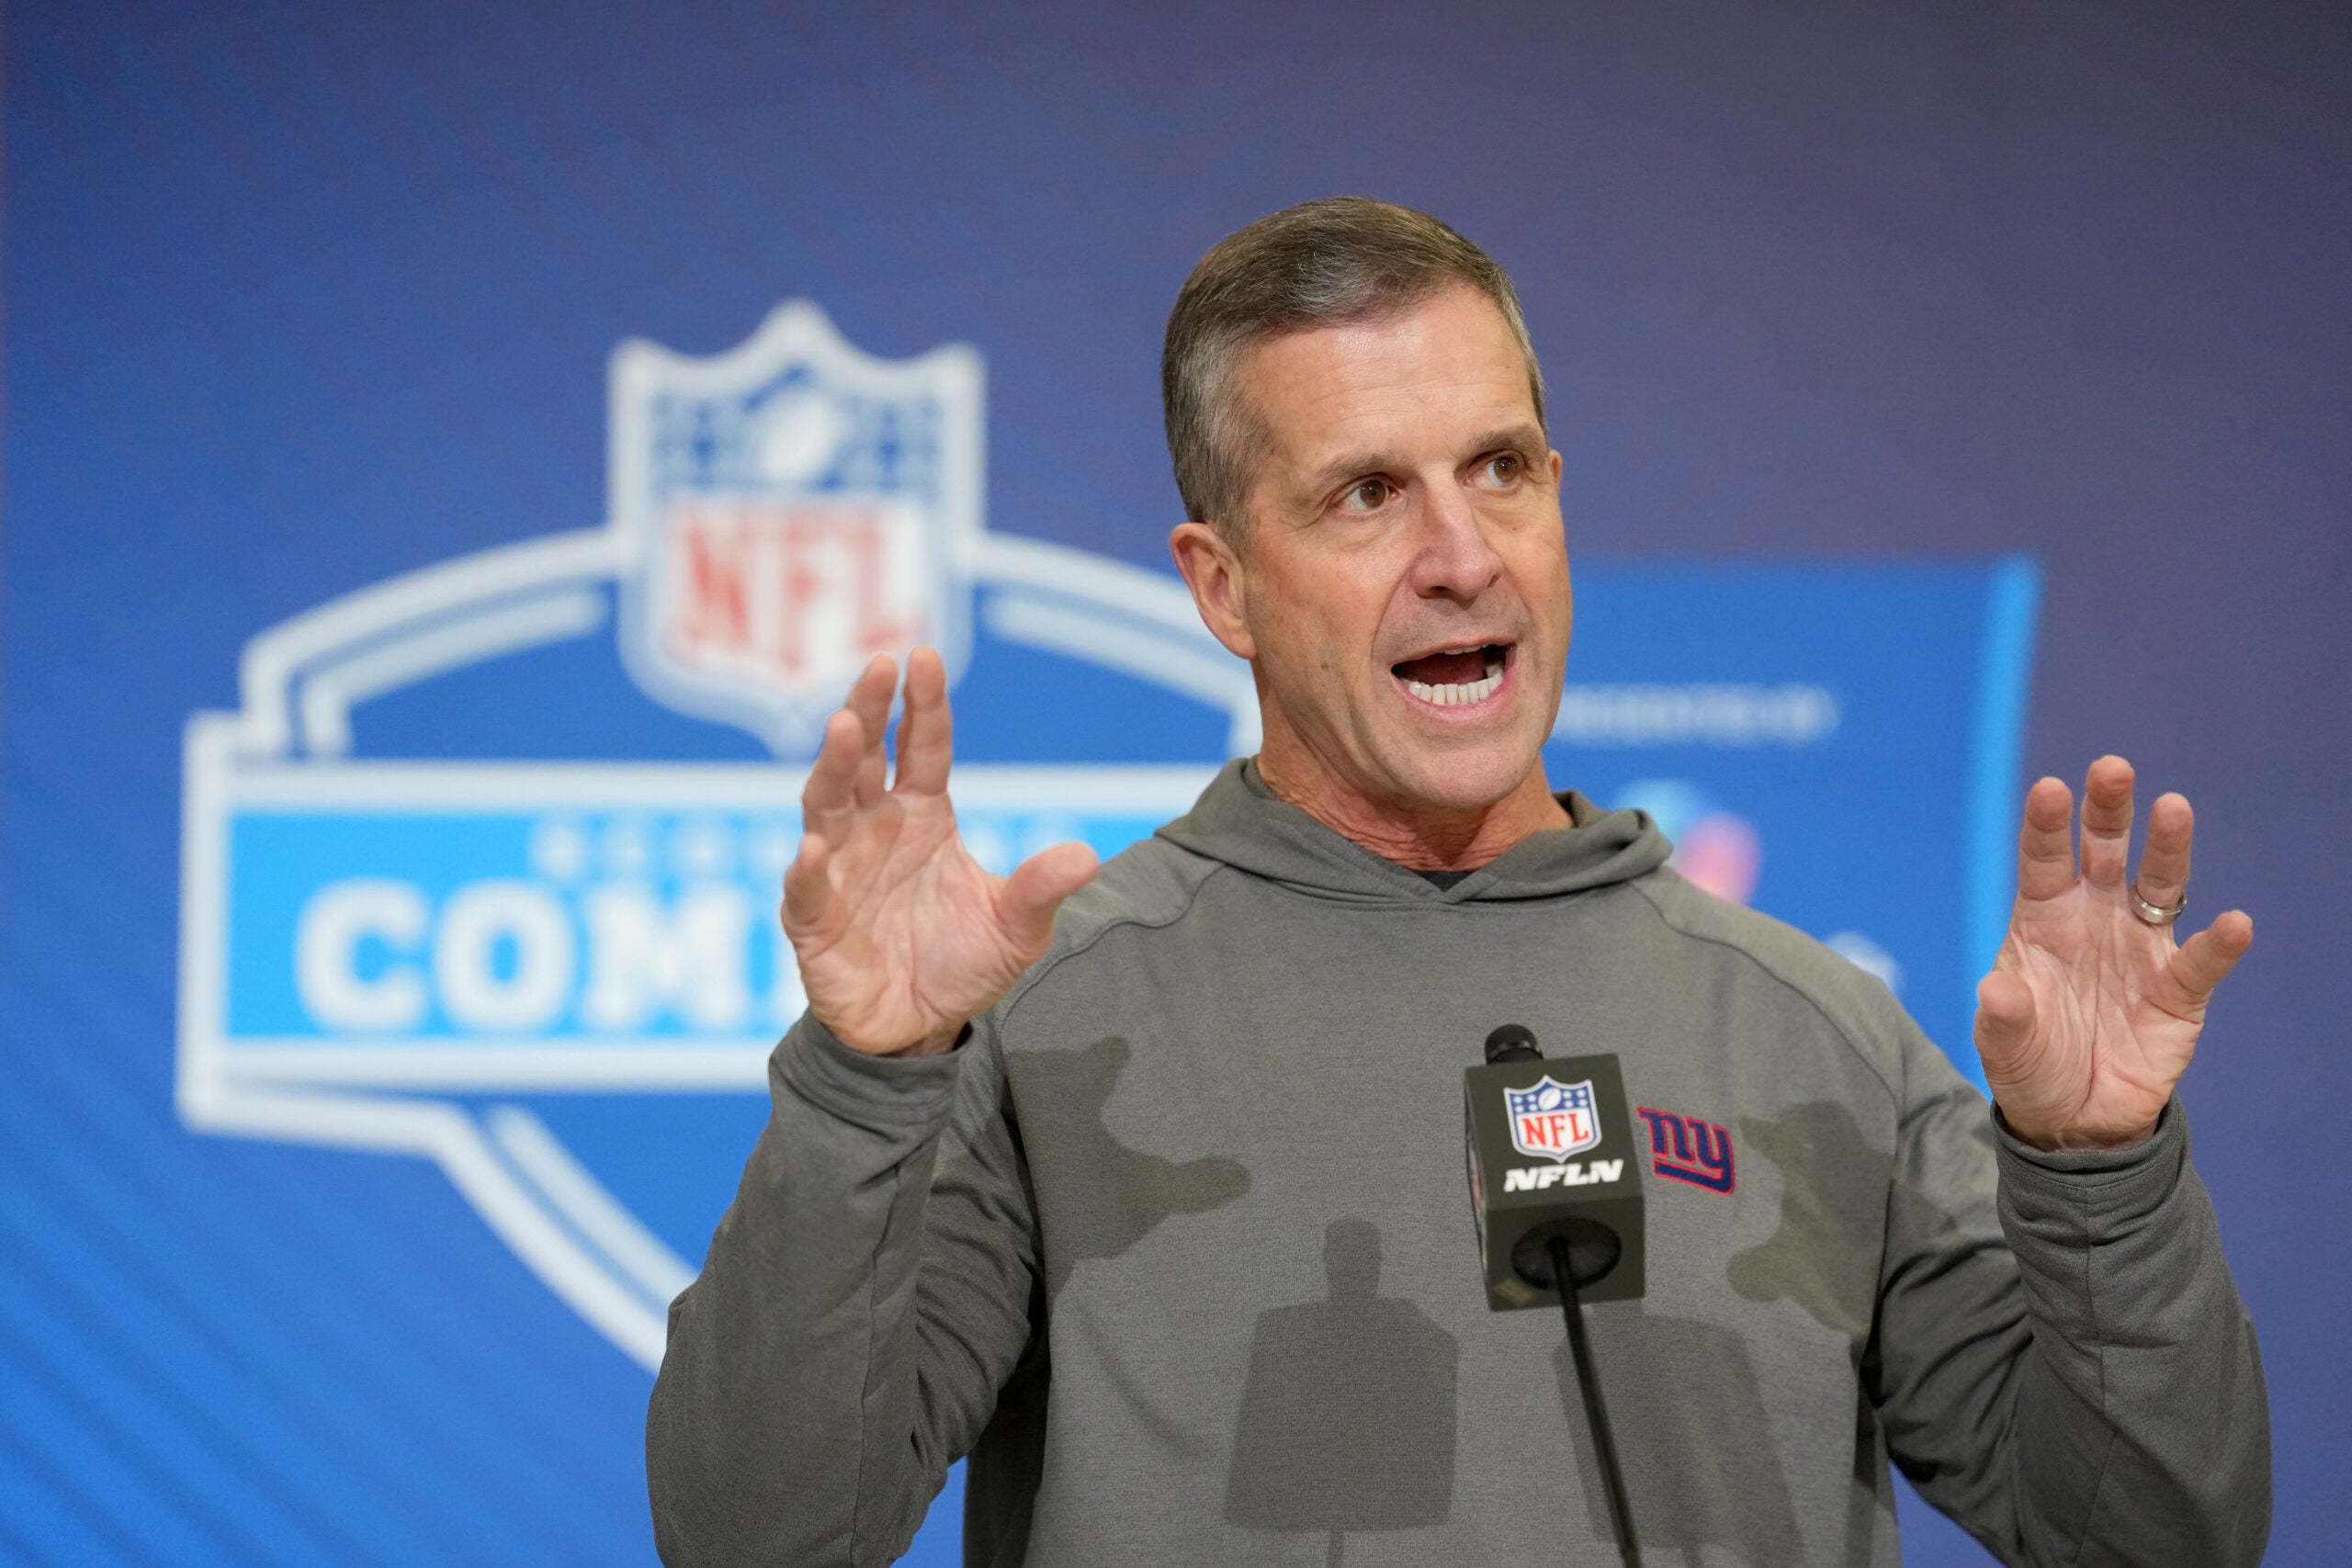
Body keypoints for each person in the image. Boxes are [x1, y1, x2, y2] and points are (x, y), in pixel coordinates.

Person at [647, 198, 2268, 1566]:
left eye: (1501, 469)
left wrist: (2101, 1177)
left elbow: (2162, 1539)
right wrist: (867, 1082)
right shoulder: (1046, 1021)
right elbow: (756, 1534)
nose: (1463, 556)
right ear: (1223, 586)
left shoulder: (1818, 1030)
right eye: (1367, 494)